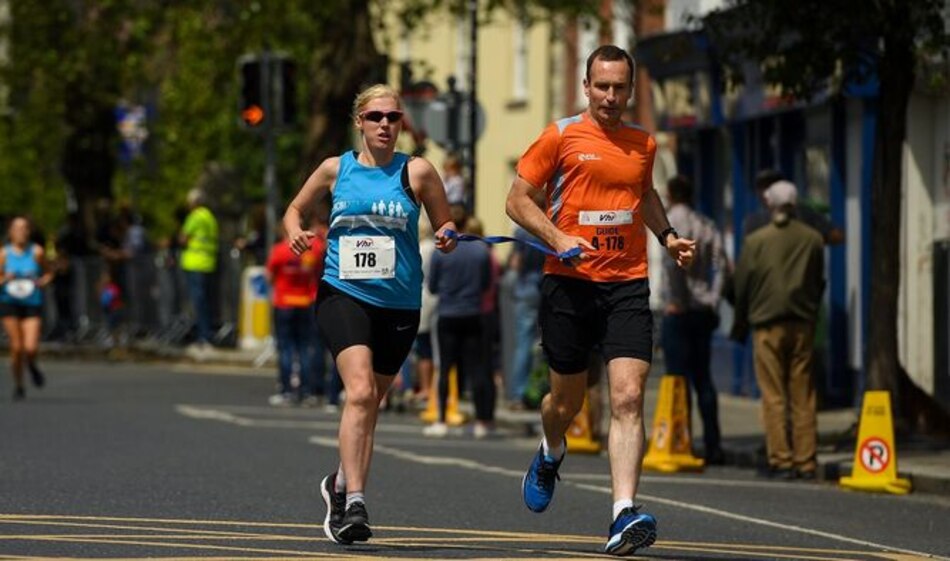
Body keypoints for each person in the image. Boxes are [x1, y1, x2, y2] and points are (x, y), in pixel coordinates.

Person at [505, 45, 695, 556]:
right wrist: (557, 237)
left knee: (629, 397)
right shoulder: (560, 136)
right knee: (566, 402)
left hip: (627, 283)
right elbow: (517, 199)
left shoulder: (643, 143)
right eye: (602, 86)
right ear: (586, 87)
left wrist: (668, 236)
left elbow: (643, 194)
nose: (611, 96)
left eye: (620, 87)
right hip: (568, 283)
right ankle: (551, 450)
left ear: (631, 91)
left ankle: (623, 512)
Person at [282, 84, 456, 546]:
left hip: (399, 303)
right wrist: (296, 231)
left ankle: (337, 483)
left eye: (393, 118)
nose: (385, 125)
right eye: (376, 116)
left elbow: (445, 222)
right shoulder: (335, 169)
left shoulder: (416, 172)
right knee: (359, 393)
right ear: (359, 121)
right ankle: (355, 501)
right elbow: (294, 210)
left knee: (370, 404)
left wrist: (448, 234)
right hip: (344, 294)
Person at [731, 180, 824, 481]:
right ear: (794, 204)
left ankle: (781, 459)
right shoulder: (813, 239)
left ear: (770, 204)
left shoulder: (756, 241)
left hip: (767, 325)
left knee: (773, 395)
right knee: (803, 394)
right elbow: (817, 280)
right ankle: (806, 460)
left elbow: (741, 285)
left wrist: (740, 320)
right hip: (802, 323)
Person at [660, 175, 729, 465]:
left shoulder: (669, 223)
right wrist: (713, 297)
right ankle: (713, 443)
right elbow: (722, 263)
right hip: (703, 309)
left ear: (671, 194)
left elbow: (671, 264)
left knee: (677, 380)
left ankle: (681, 439)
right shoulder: (705, 223)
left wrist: (678, 299)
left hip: (679, 311)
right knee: (703, 379)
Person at [424, 210, 492, 438]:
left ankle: (441, 419)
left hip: (448, 313)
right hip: (473, 312)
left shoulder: (441, 252)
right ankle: (482, 421)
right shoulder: (481, 250)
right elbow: (485, 284)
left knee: (445, 368)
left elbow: (432, 286)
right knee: (477, 368)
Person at [264, 221, 325, 407]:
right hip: (305, 301)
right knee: (305, 348)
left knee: (285, 348)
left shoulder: (280, 250)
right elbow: (320, 270)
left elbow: (269, 276)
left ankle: (286, 391)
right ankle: (307, 391)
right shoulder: (315, 249)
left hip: (284, 302)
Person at [1, 216, 54, 401]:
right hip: (10, 301)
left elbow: (48, 272)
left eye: (24, 228)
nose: (21, 231)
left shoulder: (36, 252)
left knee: (30, 347)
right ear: (10, 232)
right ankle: (19, 385)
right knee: (16, 347)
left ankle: (31, 364)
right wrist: (5, 279)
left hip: (32, 301)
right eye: (17, 228)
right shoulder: (4, 254)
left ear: (29, 231)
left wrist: (42, 281)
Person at [744, 169, 844, 245]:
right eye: (762, 188)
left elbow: (836, 236)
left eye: (768, 187)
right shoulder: (805, 214)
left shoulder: (755, 221)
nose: (764, 193)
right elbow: (836, 236)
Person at [507, 225, 546, 407]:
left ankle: (519, 393)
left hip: (526, 288)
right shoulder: (550, 224)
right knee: (547, 344)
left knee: (523, 343)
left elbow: (516, 262)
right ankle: (543, 389)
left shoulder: (522, 231)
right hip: (547, 286)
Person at [179, 188, 219, 348]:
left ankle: (203, 335)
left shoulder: (194, 217)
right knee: (206, 302)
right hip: (209, 263)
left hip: (194, 262)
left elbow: (183, 238)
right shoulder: (210, 217)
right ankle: (206, 332)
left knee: (198, 302)